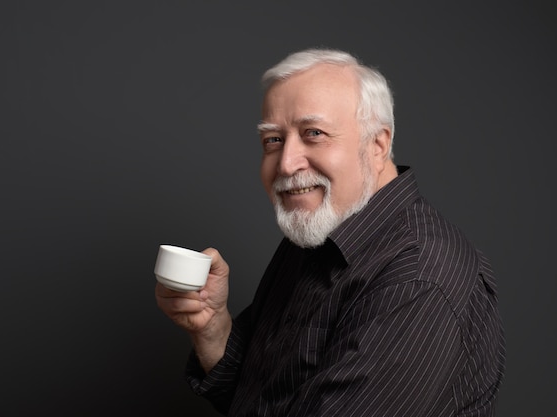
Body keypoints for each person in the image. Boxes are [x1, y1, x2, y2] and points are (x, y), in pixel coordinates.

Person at [155, 48, 506, 416]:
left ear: (378, 144)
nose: (287, 163)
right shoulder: (319, 228)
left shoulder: (419, 277)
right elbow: (260, 403)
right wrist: (213, 329)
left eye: (314, 133)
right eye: (273, 140)